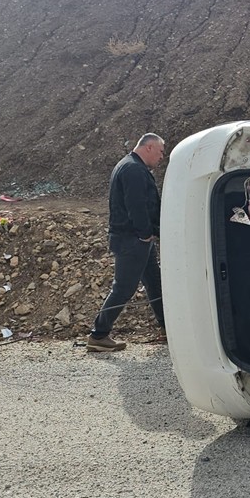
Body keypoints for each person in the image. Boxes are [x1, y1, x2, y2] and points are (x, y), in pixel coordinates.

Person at [88, 133, 167, 352]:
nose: (162, 157)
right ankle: (99, 335)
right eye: (161, 152)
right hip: (132, 240)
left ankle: (167, 327)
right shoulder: (133, 169)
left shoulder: (130, 165)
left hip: (136, 239)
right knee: (123, 287)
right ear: (149, 147)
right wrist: (145, 233)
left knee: (154, 282)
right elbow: (136, 205)